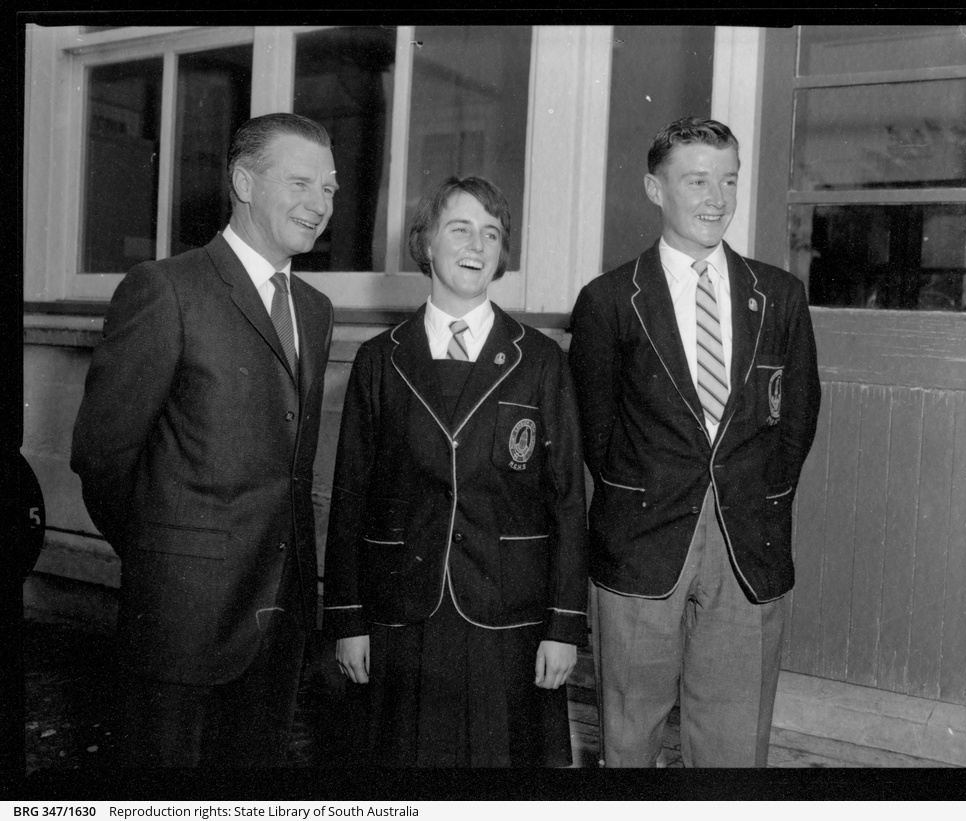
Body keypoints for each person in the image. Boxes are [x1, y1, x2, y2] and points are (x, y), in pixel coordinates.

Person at [70, 112, 337, 767]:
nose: (320, 204)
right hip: (180, 624)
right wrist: (170, 558)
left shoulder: (315, 310)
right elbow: (102, 455)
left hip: (278, 621)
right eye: (301, 183)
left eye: (330, 188)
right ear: (244, 181)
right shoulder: (166, 289)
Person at [568, 116, 821, 767]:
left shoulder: (781, 296)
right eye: (697, 181)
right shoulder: (607, 301)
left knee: (735, 742)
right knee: (629, 730)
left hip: (747, 544)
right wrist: (645, 492)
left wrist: (756, 494)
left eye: (729, 180)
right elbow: (596, 434)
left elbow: (796, 418)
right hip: (642, 542)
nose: (717, 198)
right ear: (656, 189)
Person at [322, 176, 588, 767]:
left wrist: (563, 627)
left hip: (507, 612)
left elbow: (568, 499)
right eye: (460, 228)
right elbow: (350, 497)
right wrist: (347, 618)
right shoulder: (380, 359)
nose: (477, 244)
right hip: (403, 614)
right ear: (426, 243)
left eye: (491, 233)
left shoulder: (539, 361)